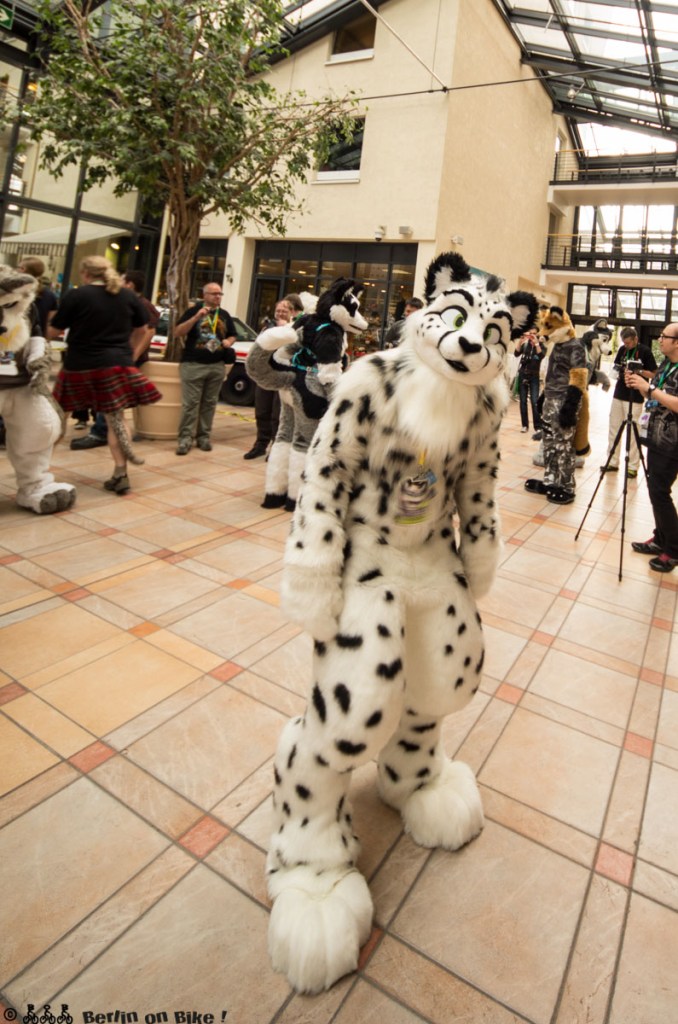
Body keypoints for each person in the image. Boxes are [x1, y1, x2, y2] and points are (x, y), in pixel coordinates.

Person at [49, 255, 160, 494]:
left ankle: (39, 469)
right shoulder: (128, 295)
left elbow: (55, 329)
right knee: (116, 421)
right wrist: (128, 354)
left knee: (57, 416)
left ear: (86, 274)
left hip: (79, 365)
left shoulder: (77, 295)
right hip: (116, 365)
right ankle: (121, 473)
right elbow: (143, 329)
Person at [71, 269, 161, 451]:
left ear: (130, 285)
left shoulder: (141, 304)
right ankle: (104, 430)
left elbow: (149, 331)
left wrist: (132, 356)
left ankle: (100, 433)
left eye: (122, 280)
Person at [626, 325, 678, 572]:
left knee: (660, 492)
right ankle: (660, 538)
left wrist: (649, 388)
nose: (660, 340)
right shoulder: (665, 366)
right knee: (655, 489)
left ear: (677, 342)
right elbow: (654, 396)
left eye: (664, 337)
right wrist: (640, 385)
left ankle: (674, 549)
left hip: (672, 442)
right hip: (655, 437)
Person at [173, 282, 236, 455]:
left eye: (220, 294)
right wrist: (195, 318)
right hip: (193, 365)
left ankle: (204, 437)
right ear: (205, 295)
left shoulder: (223, 315)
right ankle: (185, 439)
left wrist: (228, 342)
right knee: (190, 405)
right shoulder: (194, 311)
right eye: (214, 293)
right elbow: (177, 332)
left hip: (216, 365)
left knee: (209, 404)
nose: (218, 296)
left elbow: (232, 334)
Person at [244, 295, 300, 460]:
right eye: (278, 310)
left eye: (284, 310)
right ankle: (260, 444)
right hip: (265, 374)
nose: (281, 313)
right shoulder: (267, 328)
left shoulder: (294, 330)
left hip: (281, 376)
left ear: (292, 313)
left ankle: (276, 448)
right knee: (262, 410)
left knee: (278, 415)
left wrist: (285, 330)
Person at [601, 326, 656, 478]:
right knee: (614, 428)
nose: (626, 346)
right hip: (619, 392)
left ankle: (632, 466)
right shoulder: (622, 350)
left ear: (636, 339)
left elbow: (653, 372)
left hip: (636, 396)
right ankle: (612, 462)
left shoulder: (645, 351)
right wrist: (619, 370)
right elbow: (617, 365)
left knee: (634, 432)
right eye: (624, 343)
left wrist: (638, 371)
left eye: (629, 343)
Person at [514, 328, 544, 435]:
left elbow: (541, 356)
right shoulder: (525, 345)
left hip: (534, 376)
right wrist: (520, 341)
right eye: (530, 333)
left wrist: (536, 343)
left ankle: (538, 426)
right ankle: (524, 425)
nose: (531, 335)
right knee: (522, 401)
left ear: (537, 335)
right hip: (523, 374)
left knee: (535, 401)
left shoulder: (540, 345)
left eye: (534, 334)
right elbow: (516, 353)